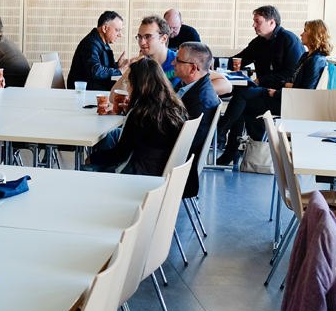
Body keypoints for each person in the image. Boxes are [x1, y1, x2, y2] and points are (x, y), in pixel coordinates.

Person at [216, 5, 304, 165]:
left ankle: (222, 134)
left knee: (241, 98)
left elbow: (290, 74)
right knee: (240, 97)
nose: (254, 25)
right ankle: (227, 143)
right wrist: (208, 61)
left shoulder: (289, 40)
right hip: (265, 90)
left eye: (258, 21)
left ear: (272, 22)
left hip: (281, 95)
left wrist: (261, 80)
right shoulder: (260, 42)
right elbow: (239, 59)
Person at [88, 56, 186, 176]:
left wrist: (92, 158)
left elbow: (119, 155)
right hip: (161, 169)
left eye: (128, 82)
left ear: (137, 85)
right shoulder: (174, 106)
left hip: (139, 174)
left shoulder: (140, 115)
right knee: (111, 136)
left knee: (88, 167)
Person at [113, 15, 231, 96]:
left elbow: (225, 85)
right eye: (140, 37)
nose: (142, 42)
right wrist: (129, 71)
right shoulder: (140, 65)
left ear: (164, 38)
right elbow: (113, 97)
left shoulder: (181, 61)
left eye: (148, 37)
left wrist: (184, 95)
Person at [172, 42, 221, 198]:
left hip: (174, 165)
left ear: (193, 68)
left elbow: (183, 144)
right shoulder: (191, 87)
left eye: (178, 60)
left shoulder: (201, 102)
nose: (173, 63)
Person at [67, 11, 129, 91]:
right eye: (117, 30)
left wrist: (117, 65)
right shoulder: (90, 43)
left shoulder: (102, 42)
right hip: (84, 92)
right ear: (105, 28)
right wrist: (118, 71)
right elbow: (95, 70)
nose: (120, 34)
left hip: (95, 89)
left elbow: (103, 68)